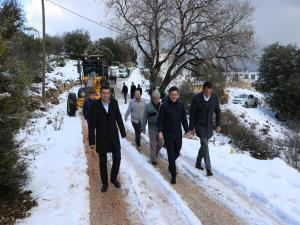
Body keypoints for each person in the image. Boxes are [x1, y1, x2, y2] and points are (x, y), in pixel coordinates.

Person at [88, 85, 126, 192]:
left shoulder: (114, 103)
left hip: (114, 136)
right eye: (103, 93)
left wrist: (123, 132)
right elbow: (91, 125)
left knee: (117, 158)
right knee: (103, 162)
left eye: (107, 93)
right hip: (102, 137)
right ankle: (104, 183)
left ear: (110, 94)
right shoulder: (94, 106)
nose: (105, 95)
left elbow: (118, 117)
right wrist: (92, 141)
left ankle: (113, 178)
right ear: (100, 94)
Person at [188, 81, 221, 176]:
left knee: (204, 145)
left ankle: (198, 162)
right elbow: (192, 114)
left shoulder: (214, 97)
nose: (208, 93)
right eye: (206, 91)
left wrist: (218, 125)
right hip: (199, 125)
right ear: (203, 90)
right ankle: (208, 168)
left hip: (209, 126)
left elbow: (218, 112)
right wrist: (191, 128)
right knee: (205, 144)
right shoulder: (196, 98)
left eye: (209, 91)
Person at [157, 86, 188, 184]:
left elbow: (184, 119)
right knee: (171, 154)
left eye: (175, 95)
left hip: (178, 134)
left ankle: (171, 164)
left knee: (177, 152)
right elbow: (160, 120)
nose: (174, 96)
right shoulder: (164, 106)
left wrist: (187, 131)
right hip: (168, 134)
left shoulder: (181, 105)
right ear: (169, 95)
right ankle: (173, 175)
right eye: (172, 95)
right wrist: (160, 131)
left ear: (178, 95)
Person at [142, 90, 163, 165]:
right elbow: (144, 117)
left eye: (158, 98)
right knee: (153, 144)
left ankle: (155, 154)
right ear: (152, 98)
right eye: (155, 98)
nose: (156, 100)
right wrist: (143, 127)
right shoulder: (148, 106)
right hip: (152, 127)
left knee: (161, 144)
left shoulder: (162, 106)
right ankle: (153, 159)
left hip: (161, 128)